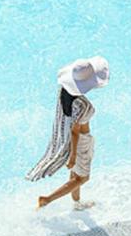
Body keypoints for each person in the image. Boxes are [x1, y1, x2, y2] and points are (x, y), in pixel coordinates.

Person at [27, 56, 109, 211]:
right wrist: (72, 156)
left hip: (69, 140)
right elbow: (76, 131)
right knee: (82, 178)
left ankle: (77, 203)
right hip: (81, 142)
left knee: (75, 175)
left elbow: (69, 126)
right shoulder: (83, 105)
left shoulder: (64, 93)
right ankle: (46, 199)